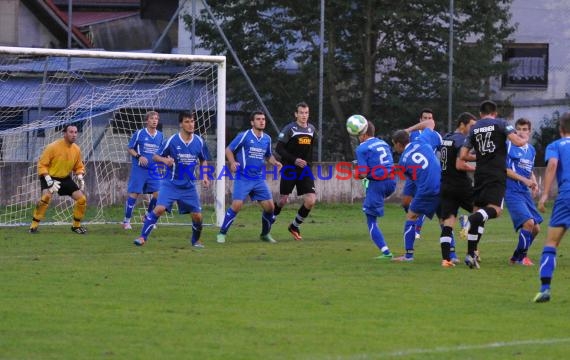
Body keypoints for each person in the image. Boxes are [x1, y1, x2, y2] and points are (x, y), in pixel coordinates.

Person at [459, 100, 525, 269]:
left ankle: (470, 254)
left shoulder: (474, 128)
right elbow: (517, 142)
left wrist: (480, 157)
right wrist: (524, 138)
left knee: (479, 212)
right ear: (494, 113)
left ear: (481, 114)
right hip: (496, 173)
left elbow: (464, 155)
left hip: (480, 174)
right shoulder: (501, 123)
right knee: (495, 210)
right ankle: (468, 220)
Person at [134, 111, 210, 247]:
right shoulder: (172, 140)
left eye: (192, 121)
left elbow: (204, 160)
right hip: (171, 184)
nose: (191, 124)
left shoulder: (199, 141)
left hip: (189, 186)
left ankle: (195, 240)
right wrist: (165, 160)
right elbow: (155, 156)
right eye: (187, 121)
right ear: (181, 124)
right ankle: (142, 237)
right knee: (159, 209)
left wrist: (205, 176)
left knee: (197, 216)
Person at [216, 110, 283, 244]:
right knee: (237, 205)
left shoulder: (267, 139)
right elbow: (228, 149)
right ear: (252, 122)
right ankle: (222, 233)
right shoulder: (244, 135)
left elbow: (268, 155)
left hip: (258, 178)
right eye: (258, 119)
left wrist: (275, 162)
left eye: (263, 119)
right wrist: (232, 162)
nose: (262, 121)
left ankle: (264, 234)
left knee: (270, 208)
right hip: (243, 177)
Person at [391, 117, 442, 261]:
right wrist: (409, 130)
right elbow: (431, 122)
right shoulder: (421, 140)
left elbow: (414, 181)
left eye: (394, 144)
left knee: (411, 216)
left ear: (399, 144)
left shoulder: (403, 161)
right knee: (444, 220)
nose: (394, 147)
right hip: (442, 184)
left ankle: (408, 256)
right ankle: (451, 255)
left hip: (427, 189)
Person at [532, 112, 570, 303]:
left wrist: (545, 194)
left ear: (560, 129)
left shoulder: (555, 146)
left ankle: (545, 288)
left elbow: (553, 165)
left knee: (551, 243)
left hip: (566, 197)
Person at [29, 124, 88, 234]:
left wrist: (80, 175)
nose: (74, 135)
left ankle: (76, 226)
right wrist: (48, 180)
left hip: (65, 178)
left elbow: (78, 165)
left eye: (75, 132)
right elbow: (42, 164)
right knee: (46, 197)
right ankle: (33, 226)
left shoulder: (76, 149)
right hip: (49, 176)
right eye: (71, 132)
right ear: (64, 133)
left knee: (82, 199)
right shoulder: (53, 147)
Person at [273, 102, 317, 241]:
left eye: (306, 113)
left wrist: (308, 164)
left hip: (305, 170)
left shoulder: (311, 129)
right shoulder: (289, 129)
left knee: (311, 200)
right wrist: (295, 159)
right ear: (296, 114)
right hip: (290, 168)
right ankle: (271, 217)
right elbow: (279, 149)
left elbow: (310, 150)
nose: (304, 115)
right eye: (301, 113)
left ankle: (294, 226)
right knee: (283, 200)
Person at [438, 112, 477, 267]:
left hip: (446, 185)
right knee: (480, 212)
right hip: (461, 185)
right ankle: (473, 250)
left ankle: (446, 260)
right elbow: (460, 164)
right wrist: (478, 165)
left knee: (448, 222)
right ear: (462, 124)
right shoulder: (461, 140)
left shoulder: (447, 138)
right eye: (472, 126)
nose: (473, 129)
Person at [353, 120, 396, 259]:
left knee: (371, 220)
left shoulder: (361, 148)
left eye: (359, 134)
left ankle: (386, 252)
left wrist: (357, 173)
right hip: (392, 181)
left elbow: (364, 173)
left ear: (364, 134)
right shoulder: (383, 143)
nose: (358, 137)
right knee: (370, 190)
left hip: (378, 184)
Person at [505, 117, 542, 266]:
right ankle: (522, 258)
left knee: (536, 229)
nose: (521, 132)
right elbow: (506, 170)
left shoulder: (531, 149)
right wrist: (524, 180)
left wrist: (534, 183)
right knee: (529, 223)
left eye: (524, 129)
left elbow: (529, 169)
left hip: (524, 192)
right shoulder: (509, 146)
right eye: (518, 129)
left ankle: (515, 256)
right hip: (512, 191)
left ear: (530, 131)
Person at [122, 111, 164, 229]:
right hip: (139, 169)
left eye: (156, 118)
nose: (155, 120)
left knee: (159, 194)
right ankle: (126, 221)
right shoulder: (139, 133)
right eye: (152, 118)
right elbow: (130, 148)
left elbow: (160, 151)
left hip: (153, 170)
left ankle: (147, 217)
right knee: (135, 194)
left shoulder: (160, 135)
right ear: (147, 121)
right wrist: (139, 156)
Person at [402, 108, 435, 241]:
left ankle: (416, 228)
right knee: (405, 202)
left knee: (420, 201)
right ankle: (414, 218)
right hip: (413, 173)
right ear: (420, 120)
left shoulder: (435, 135)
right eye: (425, 118)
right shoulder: (412, 135)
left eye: (430, 118)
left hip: (425, 174)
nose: (427, 121)